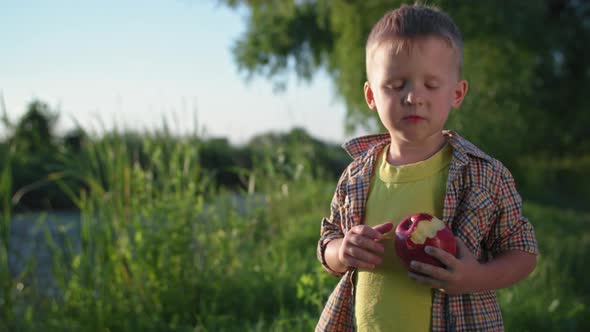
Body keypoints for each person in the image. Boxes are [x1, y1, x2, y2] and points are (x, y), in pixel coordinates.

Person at [315, 4, 538, 332]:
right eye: (396, 84)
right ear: (371, 95)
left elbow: (523, 252)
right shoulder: (356, 176)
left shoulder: (483, 176)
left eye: (431, 85)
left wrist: (475, 277)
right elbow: (328, 241)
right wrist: (341, 250)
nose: (413, 97)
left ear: (457, 93)